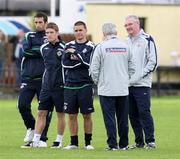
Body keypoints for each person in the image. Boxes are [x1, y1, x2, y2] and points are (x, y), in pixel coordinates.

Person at [90, 23, 135, 150]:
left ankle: (112, 145)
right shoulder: (126, 46)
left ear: (104, 33)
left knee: (109, 119)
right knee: (123, 118)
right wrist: (126, 80)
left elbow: (94, 69)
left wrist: (99, 82)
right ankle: (124, 144)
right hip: (122, 89)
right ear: (116, 32)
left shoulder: (101, 47)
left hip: (106, 89)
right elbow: (133, 68)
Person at [18, 12, 52, 148]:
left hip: (44, 79)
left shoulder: (50, 34)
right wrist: (41, 49)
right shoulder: (29, 35)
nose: (38, 25)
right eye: (36, 22)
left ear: (45, 22)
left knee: (45, 110)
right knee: (22, 106)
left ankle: (42, 138)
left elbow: (49, 52)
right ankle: (32, 127)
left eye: (40, 22)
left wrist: (36, 49)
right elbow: (25, 52)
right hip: (28, 78)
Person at [124, 15, 158, 149]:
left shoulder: (147, 39)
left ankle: (150, 141)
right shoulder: (125, 42)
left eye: (130, 24)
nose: (127, 27)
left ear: (137, 24)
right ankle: (139, 142)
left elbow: (153, 62)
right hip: (128, 85)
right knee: (132, 114)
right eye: (125, 25)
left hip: (142, 84)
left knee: (144, 112)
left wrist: (139, 75)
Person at [31, 22, 66, 148]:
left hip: (60, 87)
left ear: (57, 33)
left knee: (60, 114)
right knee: (41, 113)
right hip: (46, 87)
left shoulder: (64, 47)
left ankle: (58, 141)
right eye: (47, 32)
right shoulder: (43, 48)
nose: (49, 35)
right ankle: (35, 140)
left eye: (51, 32)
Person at [62, 21, 95, 150]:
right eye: (76, 30)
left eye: (81, 30)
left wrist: (76, 55)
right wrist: (80, 60)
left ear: (85, 30)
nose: (78, 33)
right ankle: (74, 143)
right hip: (70, 85)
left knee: (86, 115)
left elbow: (89, 64)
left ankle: (88, 143)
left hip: (85, 85)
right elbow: (65, 63)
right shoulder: (68, 45)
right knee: (71, 115)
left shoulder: (92, 46)